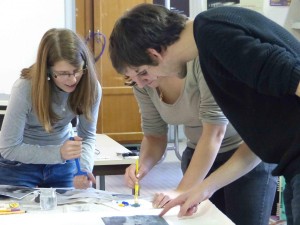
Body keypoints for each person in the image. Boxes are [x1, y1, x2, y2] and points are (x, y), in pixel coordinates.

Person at [109, 4, 300, 225]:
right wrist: (202, 189)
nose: (144, 83)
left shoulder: (214, 32)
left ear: (154, 54)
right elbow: (257, 144)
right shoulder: (210, 54)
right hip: (291, 164)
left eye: (143, 73)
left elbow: (292, 74)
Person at [123, 56, 277, 225]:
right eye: (131, 77)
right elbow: (154, 135)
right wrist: (143, 164)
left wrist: (181, 190)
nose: (139, 82)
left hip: (243, 154)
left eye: (142, 73)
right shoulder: (141, 84)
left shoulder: (200, 62)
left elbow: (214, 132)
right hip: (199, 154)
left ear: (155, 55)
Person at [0, 28, 102, 189]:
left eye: (78, 71)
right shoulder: (25, 88)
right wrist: (58, 153)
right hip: (19, 165)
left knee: (72, 210)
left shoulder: (91, 87)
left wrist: (83, 168)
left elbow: (87, 137)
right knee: (18, 213)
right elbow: (8, 148)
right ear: (47, 69)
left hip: (63, 164)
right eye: (63, 73)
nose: (73, 79)